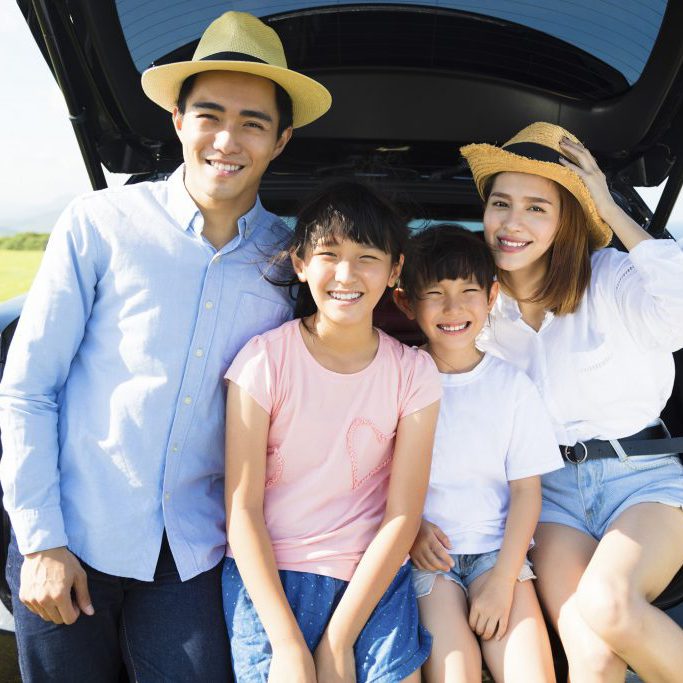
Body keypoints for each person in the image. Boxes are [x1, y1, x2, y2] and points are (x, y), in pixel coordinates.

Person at [0, 11, 331, 682]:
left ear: (281, 139)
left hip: (192, 557)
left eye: (253, 122)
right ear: (178, 120)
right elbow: (30, 386)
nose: (226, 139)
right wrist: (40, 542)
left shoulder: (291, 261)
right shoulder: (100, 223)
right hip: (71, 540)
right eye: (209, 115)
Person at [457, 122, 683, 682]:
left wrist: (608, 203)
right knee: (593, 654)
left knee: (610, 604)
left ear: (566, 223)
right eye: (501, 204)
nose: (513, 223)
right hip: (550, 494)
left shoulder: (609, 278)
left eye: (537, 208)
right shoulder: (477, 311)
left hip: (643, 479)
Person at [223, 181, 441, 683]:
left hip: (371, 577)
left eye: (368, 256)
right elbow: (242, 511)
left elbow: (403, 514)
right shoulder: (264, 361)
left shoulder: (413, 373)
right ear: (300, 263)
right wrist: (288, 645)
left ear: (395, 270)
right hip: (268, 577)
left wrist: (340, 639)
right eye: (329, 254)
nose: (347, 274)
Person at [393, 225, 562, 682]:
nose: (453, 308)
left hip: (498, 554)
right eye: (435, 293)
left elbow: (526, 490)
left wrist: (505, 579)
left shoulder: (512, 386)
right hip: (430, 558)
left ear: (491, 298)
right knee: (456, 672)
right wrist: (411, 528)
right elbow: (372, 473)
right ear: (406, 303)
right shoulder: (397, 376)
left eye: (469, 290)